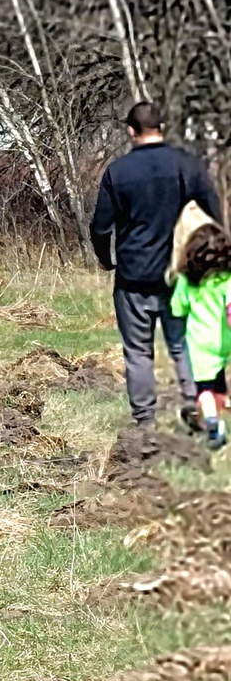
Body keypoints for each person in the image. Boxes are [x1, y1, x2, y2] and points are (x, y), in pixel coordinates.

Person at [90, 99, 221, 434]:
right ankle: (198, 411)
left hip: (133, 277)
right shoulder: (186, 166)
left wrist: (106, 260)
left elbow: (101, 227)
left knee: (138, 352)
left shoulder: (118, 172)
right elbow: (214, 217)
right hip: (179, 276)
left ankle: (145, 423)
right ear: (161, 127)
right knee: (183, 345)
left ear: (131, 131)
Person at [168, 221, 231, 449]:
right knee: (219, 384)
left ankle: (213, 426)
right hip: (224, 340)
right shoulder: (227, 279)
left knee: (204, 389)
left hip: (200, 344)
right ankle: (219, 409)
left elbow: (177, 308)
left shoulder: (187, 281)